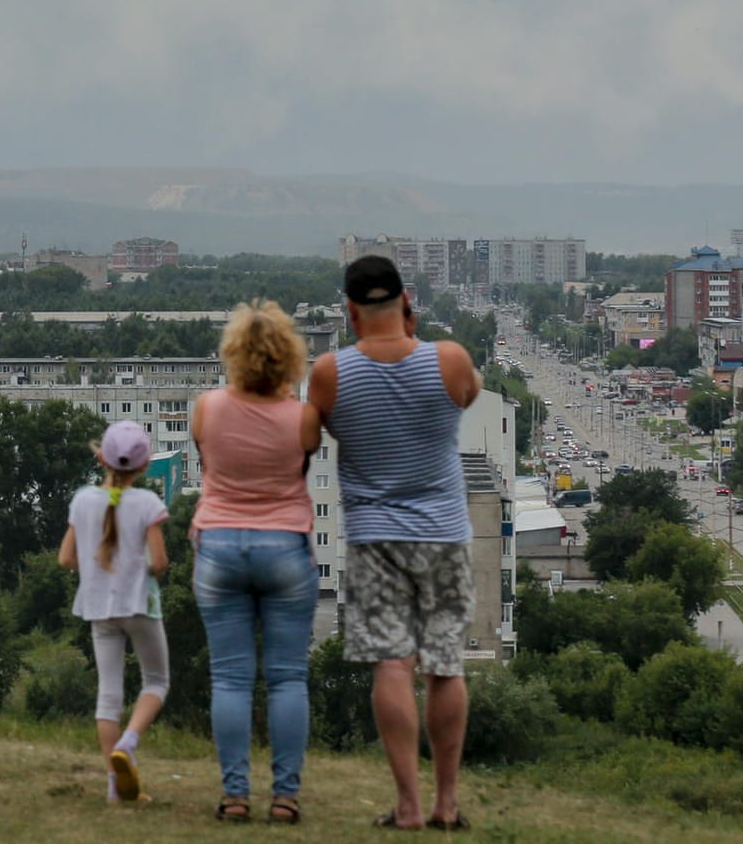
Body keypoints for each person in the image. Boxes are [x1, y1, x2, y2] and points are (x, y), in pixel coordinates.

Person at [306, 256, 481, 832]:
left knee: (392, 664)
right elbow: (470, 393)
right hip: (444, 534)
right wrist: (413, 337)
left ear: (350, 311)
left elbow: (321, 429)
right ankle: (446, 804)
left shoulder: (330, 373)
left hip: (374, 537)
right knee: (445, 666)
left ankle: (406, 805)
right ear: (407, 301)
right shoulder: (448, 359)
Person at [189, 300, 321, 824]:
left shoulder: (207, 408)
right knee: (288, 679)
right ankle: (285, 797)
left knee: (231, 680)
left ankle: (235, 795)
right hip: (285, 547)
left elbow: (208, 457)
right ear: (289, 357)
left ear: (234, 355)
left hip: (219, 547)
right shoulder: (303, 417)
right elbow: (302, 461)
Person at [58, 419, 170, 804]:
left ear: (101, 458)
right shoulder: (148, 504)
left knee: (108, 697)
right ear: (143, 466)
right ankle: (129, 741)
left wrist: (95, 569)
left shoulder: (83, 500)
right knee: (156, 681)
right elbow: (159, 562)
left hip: (98, 608)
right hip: (140, 605)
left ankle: (114, 785)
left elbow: (65, 558)